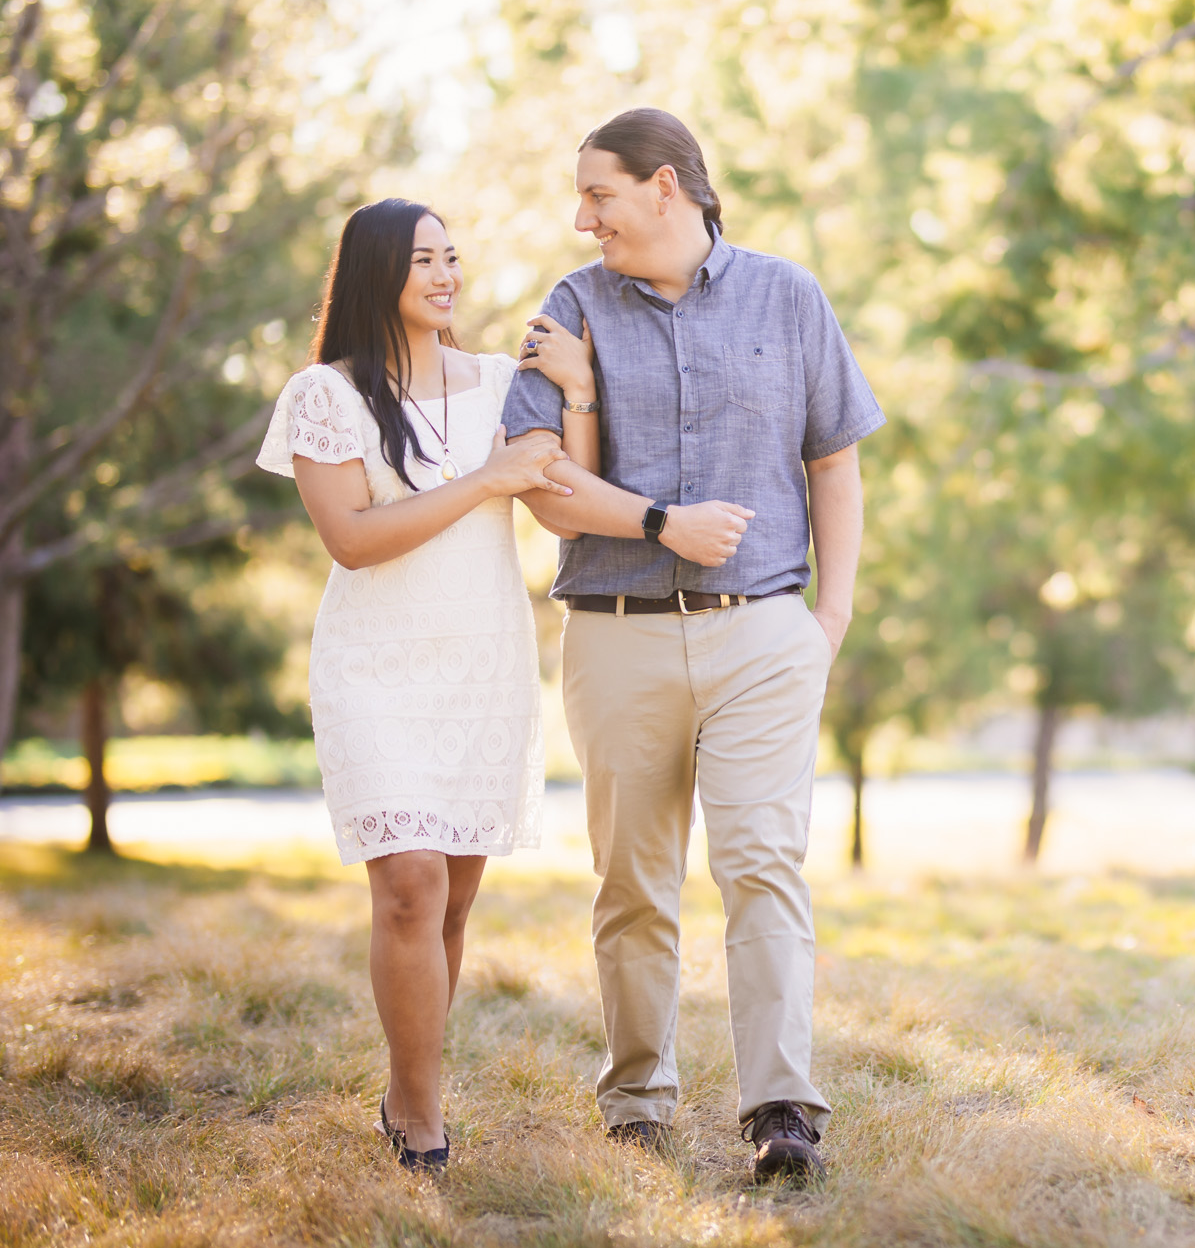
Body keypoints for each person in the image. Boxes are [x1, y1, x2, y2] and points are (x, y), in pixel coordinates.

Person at [503, 107, 882, 1183]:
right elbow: (545, 488)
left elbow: (834, 465)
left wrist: (830, 619)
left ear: (666, 186)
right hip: (614, 635)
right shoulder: (571, 308)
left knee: (762, 865)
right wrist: (662, 520)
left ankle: (781, 1112)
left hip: (762, 631)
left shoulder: (788, 295)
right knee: (633, 882)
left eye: (599, 195)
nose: (583, 220)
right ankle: (636, 1101)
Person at [254, 198, 595, 1171]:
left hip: (480, 666)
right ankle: (418, 1108)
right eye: (422, 261)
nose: (447, 275)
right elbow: (353, 541)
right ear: (375, 277)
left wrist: (574, 394)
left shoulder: (499, 385)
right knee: (407, 886)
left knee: (448, 906)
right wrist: (485, 481)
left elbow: (566, 512)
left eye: (453, 257)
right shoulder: (326, 396)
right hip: (375, 670)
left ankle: (410, 1085)